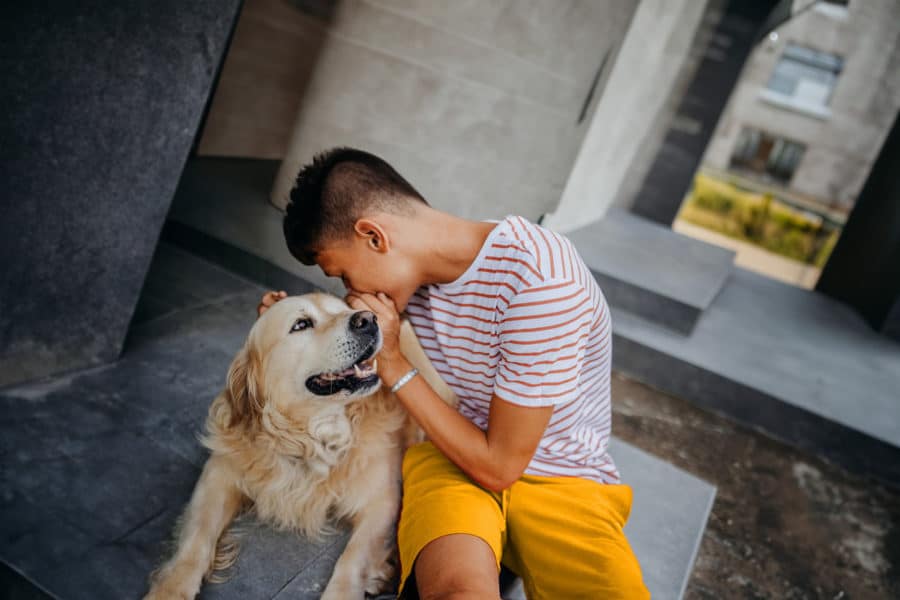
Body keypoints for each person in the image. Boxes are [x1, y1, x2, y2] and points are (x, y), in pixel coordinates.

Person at [258, 147, 650, 599]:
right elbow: (348, 329)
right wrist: (283, 324)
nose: (352, 293)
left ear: (374, 236)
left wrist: (393, 364)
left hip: (564, 481)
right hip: (456, 460)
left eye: (344, 275)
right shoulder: (413, 276)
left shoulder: (542, 283)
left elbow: (501, 467)